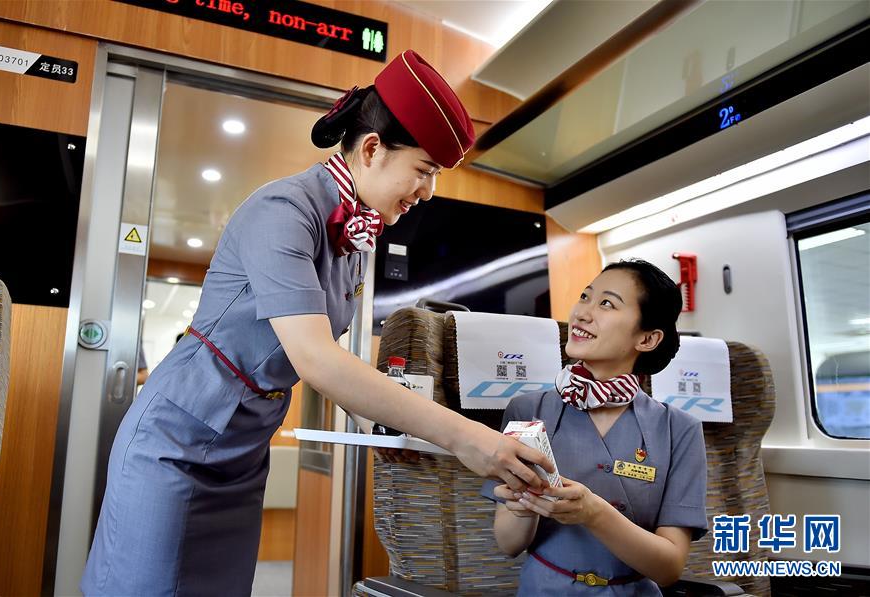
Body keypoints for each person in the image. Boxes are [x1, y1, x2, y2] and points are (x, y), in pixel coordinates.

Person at [81, 50, 552, 595]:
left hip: (243, 444)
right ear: (373, 149)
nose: (428, 193)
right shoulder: (284, 209)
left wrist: (395, 427)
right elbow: (316, 359)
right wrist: (470, 439)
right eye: (424, 171)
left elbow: (334, 361)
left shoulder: (354, 236)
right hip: (177, 438)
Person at [484, 259, 707, 595]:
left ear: (647, 338)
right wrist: (521, 506)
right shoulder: (528, 410)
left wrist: (594, 513)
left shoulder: (680, 429)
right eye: (585, 297)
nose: (582, 313)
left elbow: (669, 567)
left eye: (606, 304)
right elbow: (508, 544)